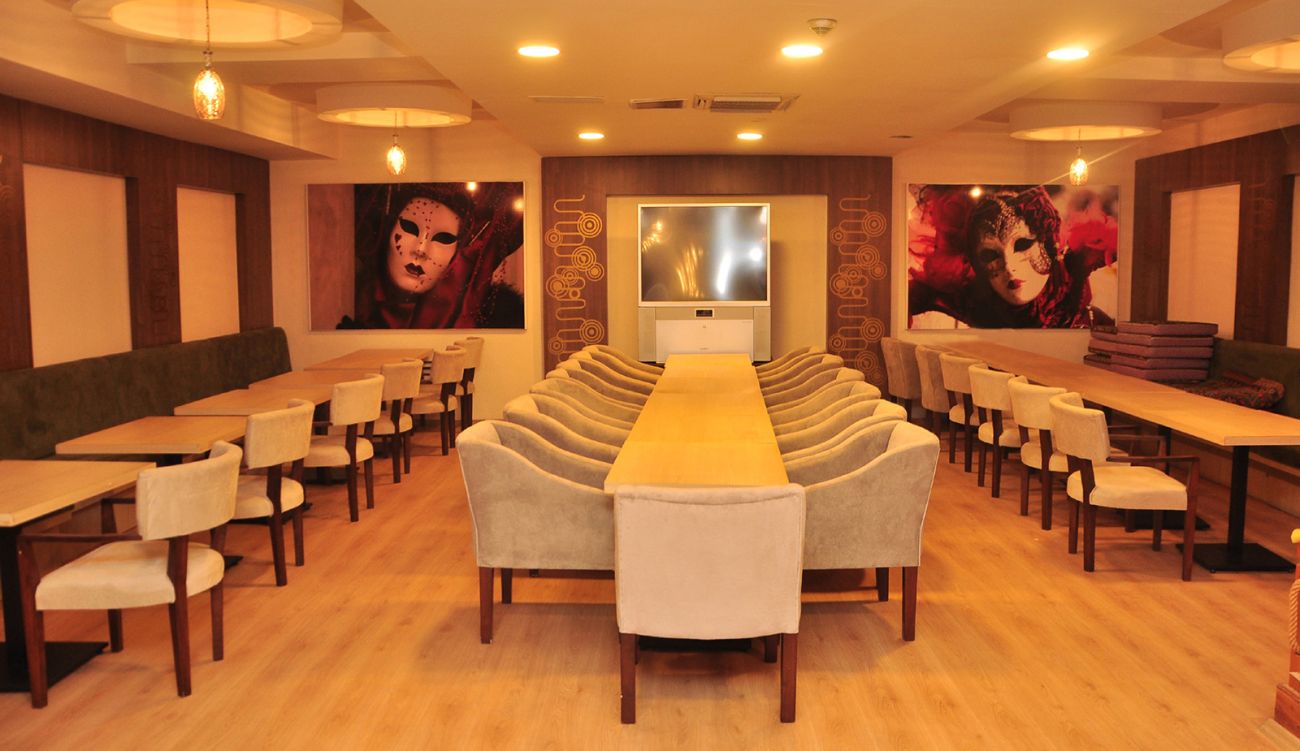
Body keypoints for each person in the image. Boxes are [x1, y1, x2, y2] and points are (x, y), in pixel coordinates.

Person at [908, 185, 1114, 329]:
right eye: (990, 254)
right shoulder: (975, 301)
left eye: (1023, 244)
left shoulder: (1073, 276)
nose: (1009, 265)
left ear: (1048, 241)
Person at [339, 182, 524, 329]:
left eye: (443, 238)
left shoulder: (483, 318)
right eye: (410, 228)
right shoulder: (346, 301)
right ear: (388, 229)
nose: (420, 249)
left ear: (456, 255)